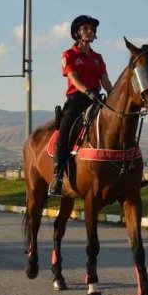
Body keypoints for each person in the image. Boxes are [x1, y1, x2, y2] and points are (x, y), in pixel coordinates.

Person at [50, 15, 113, 196]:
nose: (90, 31)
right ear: (77, 32)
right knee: (64, 135)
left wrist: (113, 95)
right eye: (86, 28)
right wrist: (87, 92)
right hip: (77, 100)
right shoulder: (68, 55)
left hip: (97, 99)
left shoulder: (98, 58)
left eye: (92, 29)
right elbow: (73, 78)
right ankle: (58, 177)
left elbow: (105, 80)